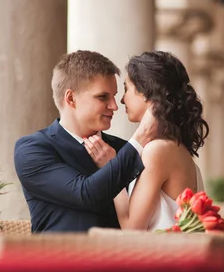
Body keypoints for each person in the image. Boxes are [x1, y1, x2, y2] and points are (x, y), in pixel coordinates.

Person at [14, 50, 158, 232]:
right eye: (103, 97)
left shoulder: (124, 149)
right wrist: (141, 136)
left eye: (114, 96)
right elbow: (85, 194)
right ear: (71, 98)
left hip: (120, 258)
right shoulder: (32, 149)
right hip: (58, 259)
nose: (114, 106)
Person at [84, 51, 208, 231]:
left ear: (146, 92)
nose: (121, 99)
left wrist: (111, 167)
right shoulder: (176, 147)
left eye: (126, 89)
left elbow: (132, 229)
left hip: (161, 256)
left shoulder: (158, 150)